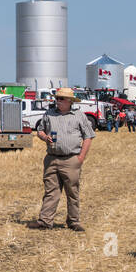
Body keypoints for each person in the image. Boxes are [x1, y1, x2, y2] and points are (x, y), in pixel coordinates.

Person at [30, 87, 95, 231]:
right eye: (56, 98)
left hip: (71, 159)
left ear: (70, 101)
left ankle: (73, 221)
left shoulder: (79, 115)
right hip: (51, 159)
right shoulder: (49, 113)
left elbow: (88, 136)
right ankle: (45, 221)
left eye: (61, 99)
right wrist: (43, 136)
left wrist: (81, 157)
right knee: (50, 191)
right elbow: (40, 130)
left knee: (72, 192)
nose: (57, 101)